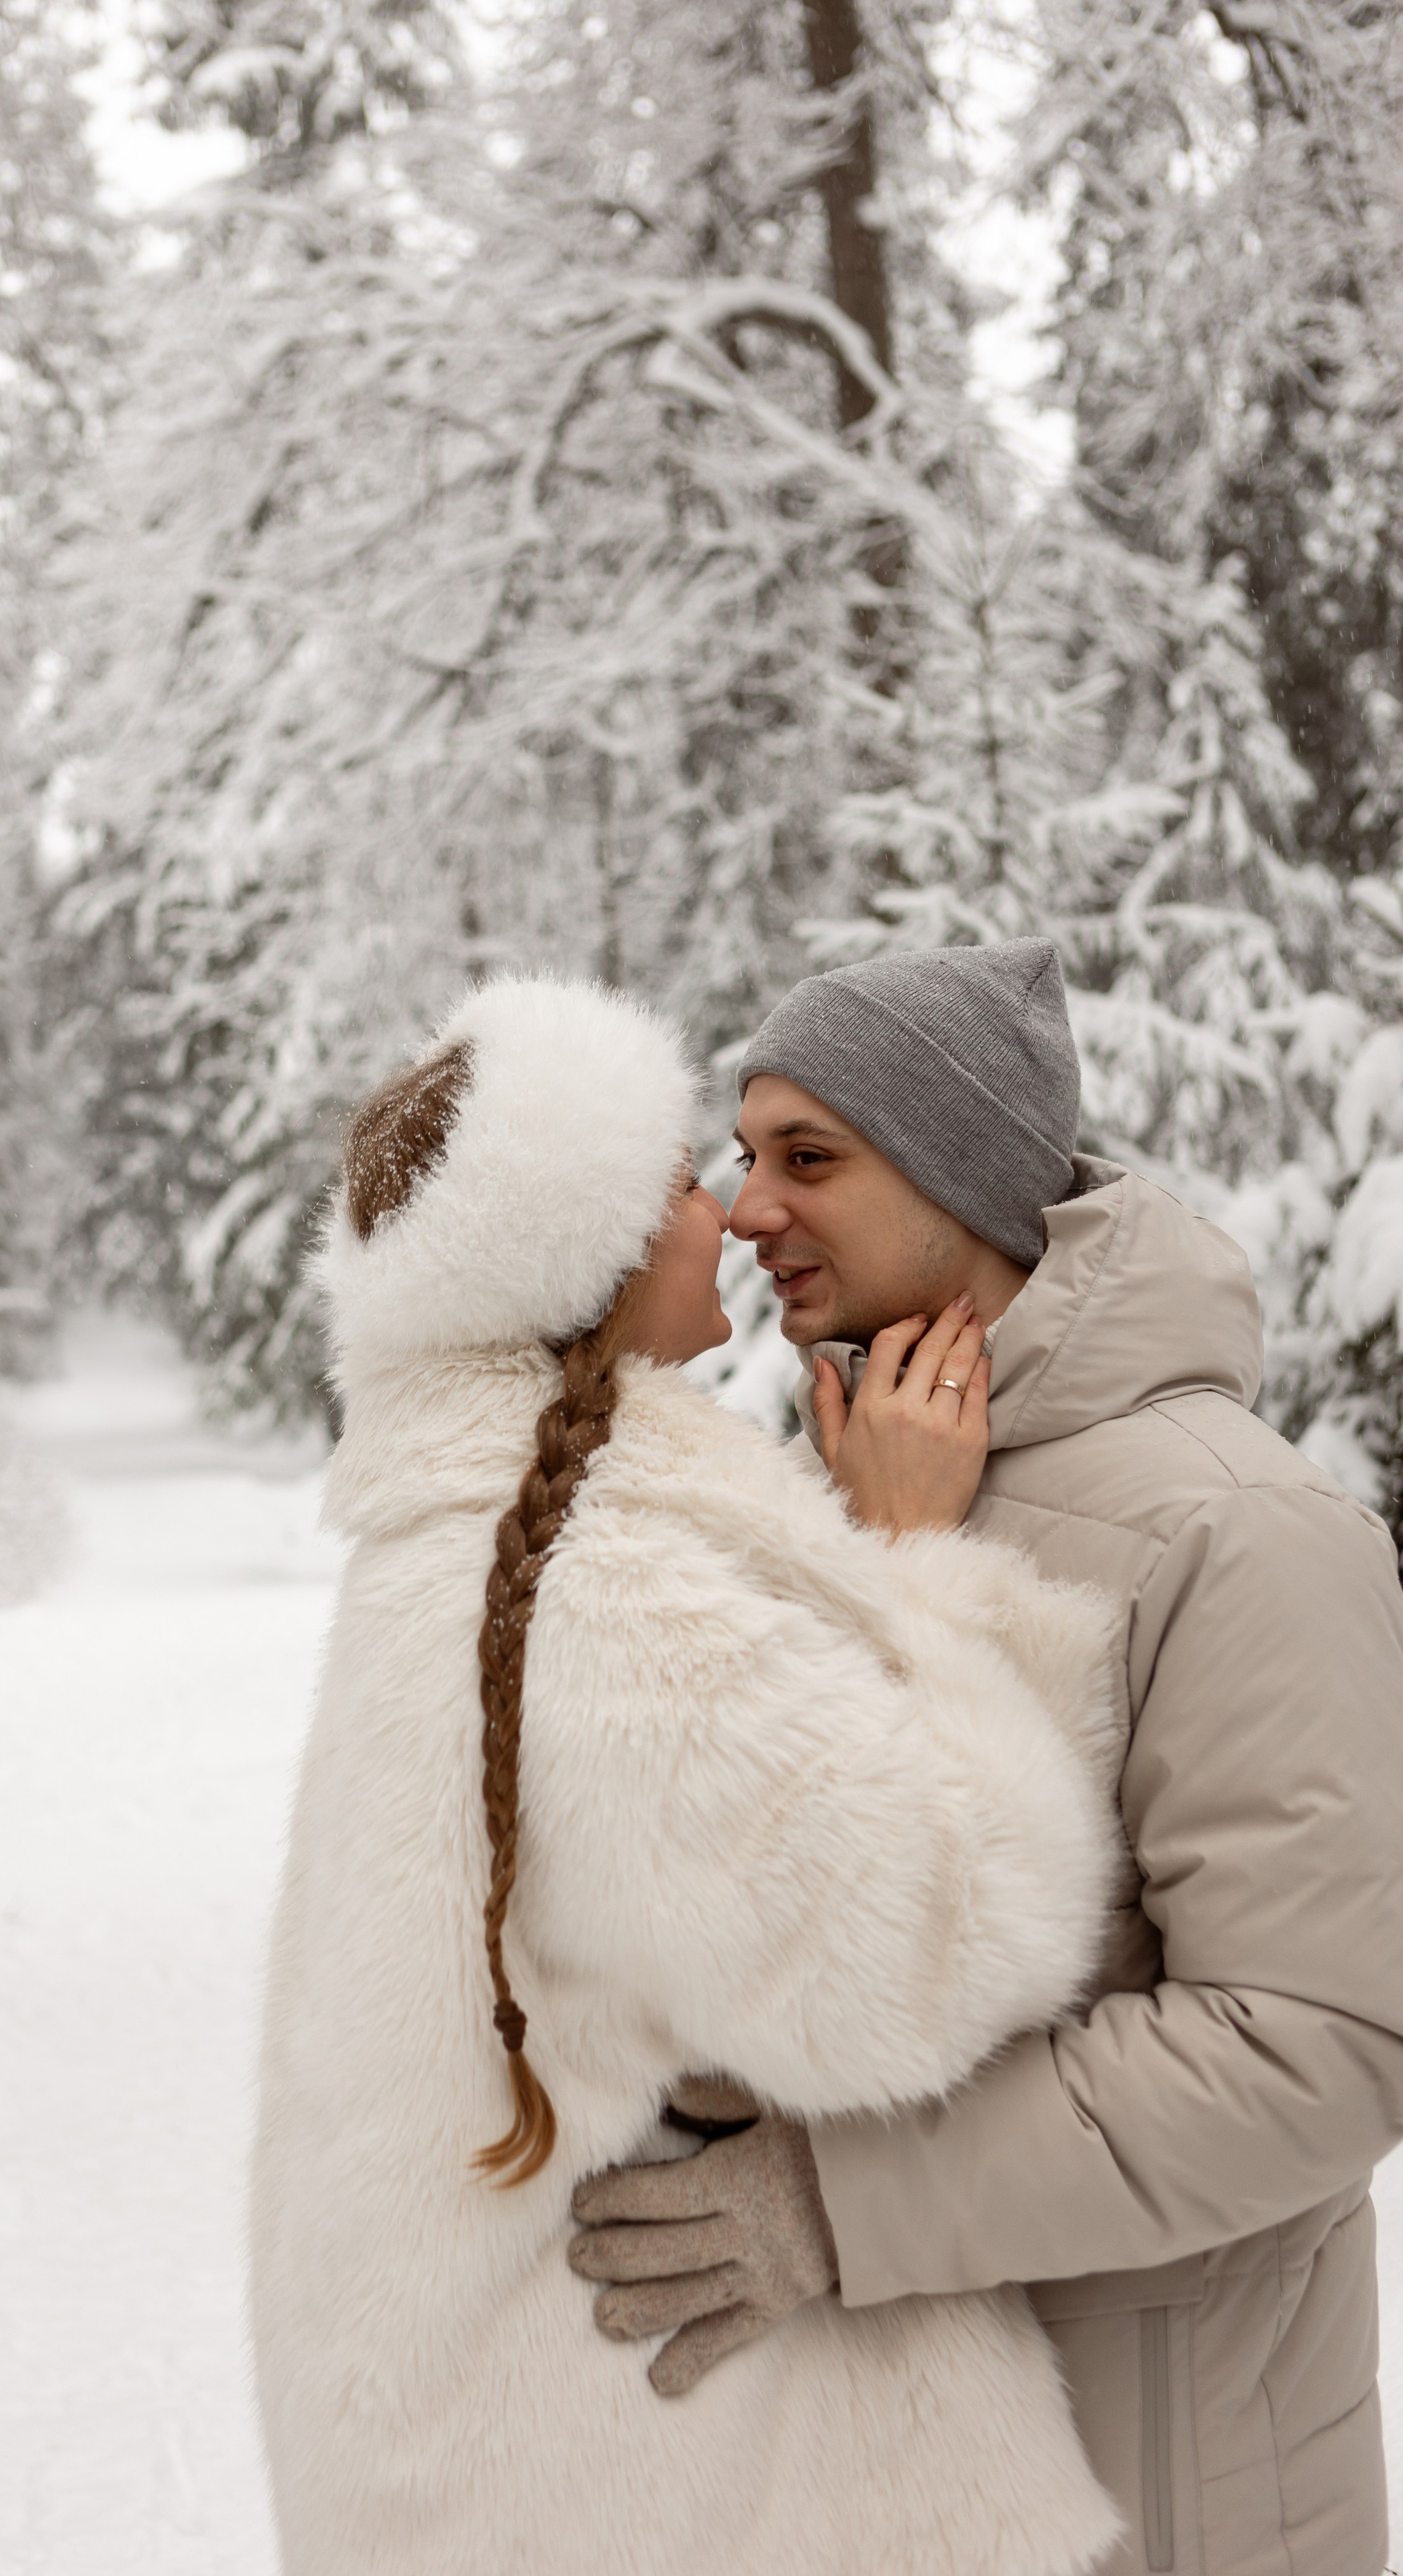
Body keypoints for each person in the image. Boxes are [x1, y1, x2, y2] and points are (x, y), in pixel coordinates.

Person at [251, 973, 1130, 2576]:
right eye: (674, 1183)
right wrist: (917, 1571)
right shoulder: (607, 1601)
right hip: (646, 2486)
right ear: (572, 1265)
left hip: (505, 2469)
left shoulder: (462, 1547)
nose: (724, 1217)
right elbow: (944, 1945)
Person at [568, 939, 1403, 2576]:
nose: (745, 1212)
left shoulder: (1238, 1529)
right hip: (894, 2485)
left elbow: (1319, 2048)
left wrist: (838, 2206)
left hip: (1161, 2490)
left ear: (964, 1180)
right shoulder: (837, 1488)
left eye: (810, 1158)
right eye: (744, 1159)